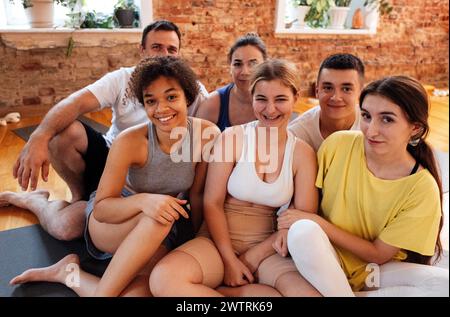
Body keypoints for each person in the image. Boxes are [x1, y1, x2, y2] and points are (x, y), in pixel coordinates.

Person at [9, 56, 220, 297]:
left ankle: (69, 273)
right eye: (151, 101)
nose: (161, 109)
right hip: (113, 222)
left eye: (171, 97)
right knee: (158, 217)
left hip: (163, 225)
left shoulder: (206, 134)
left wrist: (196, 241)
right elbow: (102, 208)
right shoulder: (130, 141)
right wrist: (144, 201)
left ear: (188, 97)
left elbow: (198, 193)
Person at [0, 20, 208, 241]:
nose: (163, 54)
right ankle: (59, 199)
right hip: (113, 162)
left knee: (75, 228)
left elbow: (211, 135)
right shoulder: (123, 79)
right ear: (142, 50)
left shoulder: (194, 91)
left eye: (171, 49)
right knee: (67, 223)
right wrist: (39, 136)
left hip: (158, 177)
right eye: (156, 47)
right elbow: (75, 103)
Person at [149, 59, 320, 297]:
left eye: (280, 99)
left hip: (267, 249)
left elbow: (300, 220)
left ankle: (223, 292)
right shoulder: (232, 138)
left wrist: (254, 256)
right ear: (252, 98)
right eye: (261, 99)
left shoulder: (302, 153)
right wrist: (229, 260)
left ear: (295, 97)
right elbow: (212, 202)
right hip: (217, 242)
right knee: (163, 280)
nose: (270, 109)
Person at [282, 76, 448, 296]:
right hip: (323, 256)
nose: (371, 130)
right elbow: (303, 212)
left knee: (444, 284)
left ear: (415, 129)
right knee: (303, 231)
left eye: (387, 119)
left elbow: (379, 254)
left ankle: (339, 292)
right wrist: (306, 223)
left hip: (374, 270)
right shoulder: (337, 144)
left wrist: (317, 221)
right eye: (367, 116)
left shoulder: (422, 187)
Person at [288, 53, 364, 152]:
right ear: (317, 92)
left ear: (360, 93)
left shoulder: (371, 128)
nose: (336, 98)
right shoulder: (297, 134)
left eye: (346, 89)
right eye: (328, 88)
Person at [196, 33, 267, 131]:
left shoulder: (274, 104)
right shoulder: (213, 104)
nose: (245, 72)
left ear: (265, 65)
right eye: (238, 64)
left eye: (253, 64)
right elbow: (194, 144)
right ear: (230, 67)